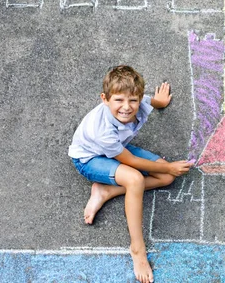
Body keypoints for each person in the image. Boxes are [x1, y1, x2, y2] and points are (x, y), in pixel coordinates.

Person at [68, 65, 192, 283]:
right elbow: (131, 161)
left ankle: (107, 190)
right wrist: (170, 165)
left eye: (133, 101)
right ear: (104, 98)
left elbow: (147, 101)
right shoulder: (103, 131)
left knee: (166, 178)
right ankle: (137, 249)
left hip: (118, 149)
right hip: (90, 160)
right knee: (136, 179)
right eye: (119, 101)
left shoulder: (139, 102)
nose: (127, 107)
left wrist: (159, 103)